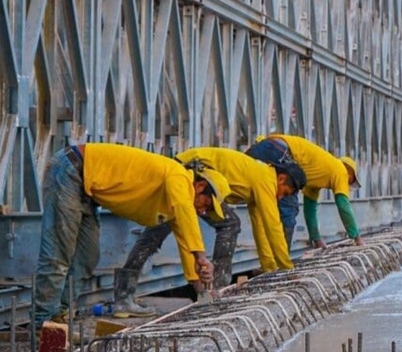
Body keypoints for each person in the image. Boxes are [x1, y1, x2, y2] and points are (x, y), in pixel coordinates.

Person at [33, 144, 229, 327]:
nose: (204, 212)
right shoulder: (179, 177)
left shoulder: (175, 203)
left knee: (86, 257)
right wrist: (202, 256)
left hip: (86, 188)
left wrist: (202, 292)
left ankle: (60, 318)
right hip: (71, 170)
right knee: (59, 256)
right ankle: (42, 324)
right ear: (200, 186)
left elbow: (186, 244)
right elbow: (187, 218)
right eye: (208, 204)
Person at [113, 147, 306, 317]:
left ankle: (124, 297)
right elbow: (273, 227)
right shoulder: (266, 180)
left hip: (192, 172)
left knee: (156, 233)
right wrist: (287, 270)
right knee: (227, 224)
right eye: (285, 192)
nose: (281, 197)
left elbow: (261, 228)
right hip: (189, 174)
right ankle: (215, 289)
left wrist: (271, 268)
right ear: (281, 178)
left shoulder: (260, 176)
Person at [246, 135, 364, 249]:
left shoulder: (317, 176)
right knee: (288, 207)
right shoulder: (340, 170)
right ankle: (279, 262)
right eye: (351, 180)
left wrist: (315, 238)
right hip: (280, 152)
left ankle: (271, 259)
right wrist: (356, 237)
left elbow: (309, 209)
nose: (347, 184)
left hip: (267, 147)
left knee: (250, 193)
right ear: (348, 169)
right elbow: (343, 206)